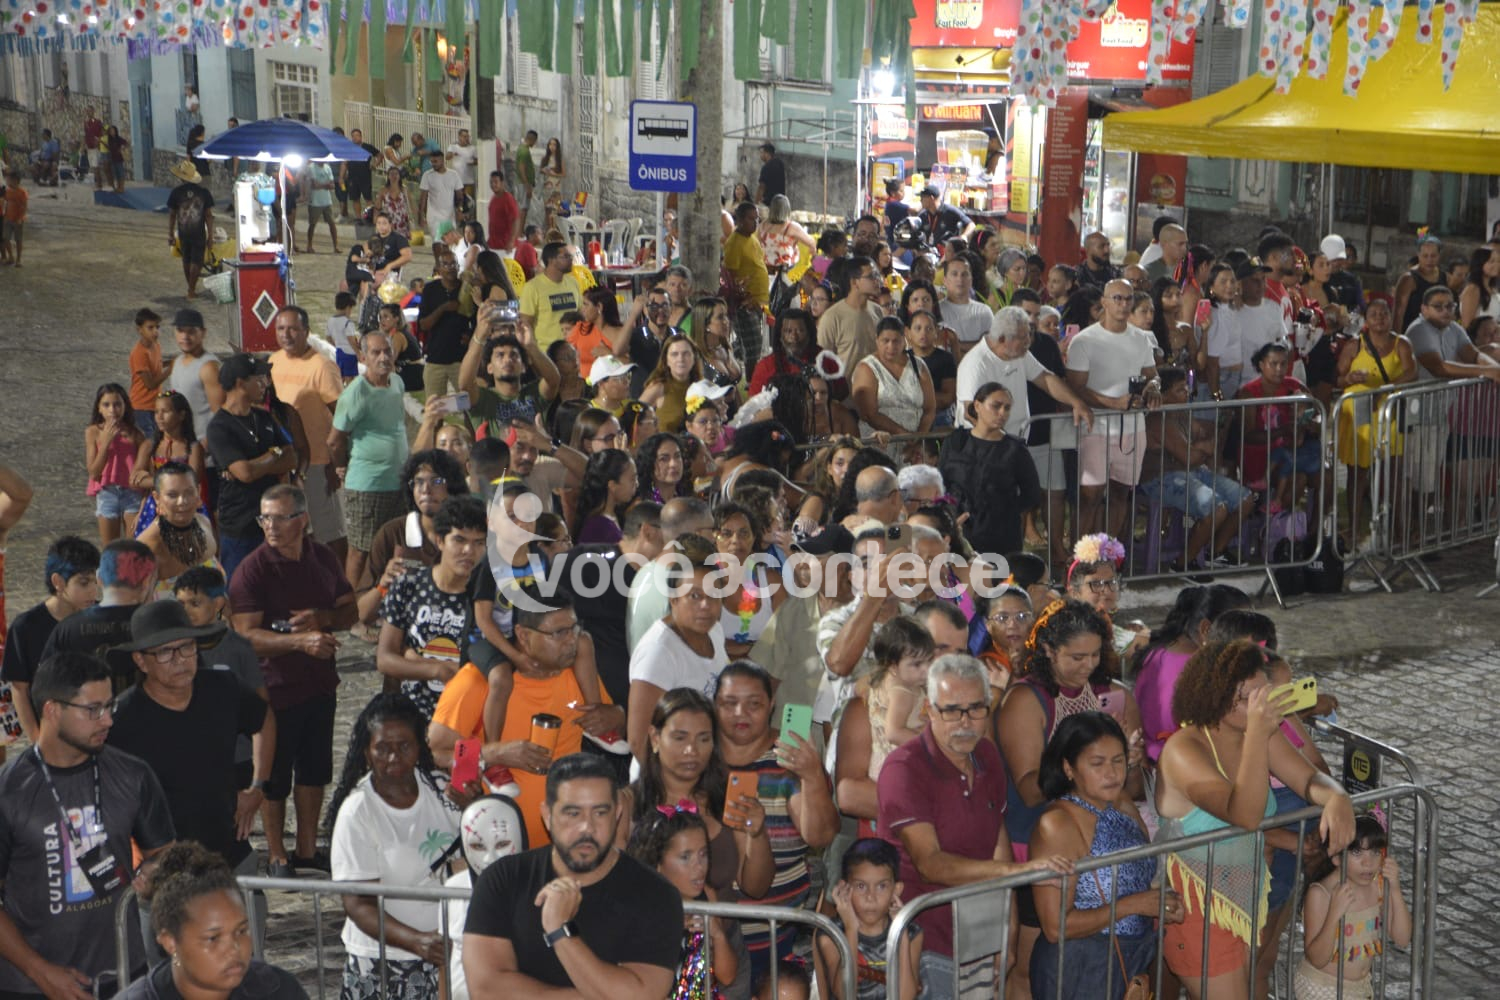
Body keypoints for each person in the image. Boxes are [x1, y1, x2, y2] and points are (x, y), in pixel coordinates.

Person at [1155, 640, 1355, 997]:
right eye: (1249, 698)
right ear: (1215, 697)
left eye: (1264, 694)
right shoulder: (1184, 750)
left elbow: (1308, 778)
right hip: (1197, 905)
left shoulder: (1258, 735)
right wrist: (1259, 735)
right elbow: (1245, 815)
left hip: (1246, 896)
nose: (1262, 706)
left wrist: (1336, 797)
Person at [876, 654, 1073, 1000]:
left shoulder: (987, 755)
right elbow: (930, 863)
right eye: (952, 711)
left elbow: (998, 838)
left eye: (976, 709)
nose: (965, 722)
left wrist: (1008, 930)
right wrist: (1021, 871)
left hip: (980, 933)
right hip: (922, 941)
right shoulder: (903, 768)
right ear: (929, 710)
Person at [0, 651, 176, 998]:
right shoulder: (10, 791)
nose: (107, 720)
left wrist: (156, 873)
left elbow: (166, 855)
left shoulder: (133, 774)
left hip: (123, 975)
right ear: (52, 709)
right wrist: (40, 972)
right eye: (93, 709)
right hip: (30, 985)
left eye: (110, 706)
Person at [993, 600, 1144, 996]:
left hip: (1097, 840)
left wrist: (1125, 763)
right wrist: (1081, 763)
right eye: (1077, 657)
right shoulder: (1026, 699)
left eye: (1095, 654)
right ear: (1048, 650)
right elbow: (1029, 789)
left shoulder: (1109, 693)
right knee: (1029, 966)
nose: (1088, 665)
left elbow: (1129, 791)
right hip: (1036, 840)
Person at [462, 752, 683, 997]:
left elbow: (641, 995)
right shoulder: (503, 878)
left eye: (600, 812)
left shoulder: (656, 895)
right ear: (547, 815)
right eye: (572, 813)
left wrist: (560, 931)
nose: (587, 827)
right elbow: (486, 990)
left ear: (618, 814)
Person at [229, 485, 357, 877]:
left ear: (302, 519)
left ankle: (305, 849)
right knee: (274, 777)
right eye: (264, 518)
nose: (270, 526)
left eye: (279, 518)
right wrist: (299, 641)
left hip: (319, 683)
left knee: (315, 771)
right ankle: (277, 854)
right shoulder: (252, 569)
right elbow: (244, 636)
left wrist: (323, 619)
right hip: (274, 688)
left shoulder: (322, 558)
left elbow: (349, 610)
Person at [109, 600, 271, 874]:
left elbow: (265, 720)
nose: (180, 660)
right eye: (165, 652)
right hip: (165, 868)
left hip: (229, 854)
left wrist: (257, 787)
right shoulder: (121, 720)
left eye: (187, 647)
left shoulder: (223, 688)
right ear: (141, 661)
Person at [1028, 712, 1180, 1000]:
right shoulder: (1057, 824)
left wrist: (1161, 902)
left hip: (1134, 952)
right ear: (1069, 767)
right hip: (1080, 963)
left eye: (1118, 761)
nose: (1112, 774)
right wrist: (1135, 904)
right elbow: (1055, 926)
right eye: (1097, 764)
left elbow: (1141, 877)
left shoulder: (1122, 803)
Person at [329, 693, 465, 1000]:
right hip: (385, 963)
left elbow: (479, 849)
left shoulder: (440, 789)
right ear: (367, 752)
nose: (393, 757)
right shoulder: (358, 812)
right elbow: (358, 904)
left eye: (404, 746)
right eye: (382, 748)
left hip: (446, 955)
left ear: (419, 747)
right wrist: (417, 941)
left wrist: (474, 807)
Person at [713, 661, 839, 973]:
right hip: (712, 935)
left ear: (771, 705)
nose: (741, 713)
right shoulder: (700, 758)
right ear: (714, 706)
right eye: (729, 703)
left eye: (754, 704)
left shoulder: (790, 760)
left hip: (778, 933)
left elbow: (820, 836)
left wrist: (812, 774)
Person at [125, 840, 308, 1000]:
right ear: (170, 942)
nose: (234, 949)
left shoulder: (280, 990)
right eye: (213, 938)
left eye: (241, 931)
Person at [1066, 279, 1160, 538]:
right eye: (1117, 298)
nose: (1123, 304)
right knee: (1090, 496)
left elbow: (1152, 375)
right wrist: (1113, 403)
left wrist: (1153, 387)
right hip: (1095, 427)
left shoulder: (1141, 339)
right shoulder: (1084, 340)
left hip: (1133, 428)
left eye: (1128, 298)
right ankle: (1079, 555)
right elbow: (1075, 388)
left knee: (1121, 494)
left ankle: (1109, 552)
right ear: (1104, 302)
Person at [624, 804, 746, 1000]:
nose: (699, 866)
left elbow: (727, 977)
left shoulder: (707, 896)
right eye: (685, 857)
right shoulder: (640, 909)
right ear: (658, 863)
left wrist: (717, 935)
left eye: (703, 854)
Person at [1142, 368, 1257, 570]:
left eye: (1186, 387)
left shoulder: (1183, 413)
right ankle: (1182, 563)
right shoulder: (1158, 419)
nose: (1187, 392)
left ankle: (1216, 552)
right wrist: (1201, 449)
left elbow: (1208, 440)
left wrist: (1200, 447)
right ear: (1164, 395)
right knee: (1216, 508)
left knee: (1245, 499)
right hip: (1162, 477)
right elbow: (1190, 456)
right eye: (1180, 389)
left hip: (1194, 471)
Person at [627, 539, 729, 761]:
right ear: (673, 599)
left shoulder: (714, 630)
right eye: (694, 596)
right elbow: (638, 740)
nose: (705, 605)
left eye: (713, 595)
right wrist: (672, 780)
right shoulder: (658, 652)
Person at [1295, 813, 1413, 1000]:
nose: (1368, 863)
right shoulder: (1321, 894)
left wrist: (1395, 890)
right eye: (1357, 852)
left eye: (1375, 852)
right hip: (1322, 988)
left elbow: (1403, 938)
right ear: (1336, 857)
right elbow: (1317, 959)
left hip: (1360, 988)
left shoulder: (1377, 885)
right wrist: (1334, 915)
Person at [205, 355, 297, 581]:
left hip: (273, 521)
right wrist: (273, 454)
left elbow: (291, 458)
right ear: (240, 383)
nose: (266, 383)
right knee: (241, 587)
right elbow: (245, 473)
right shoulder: (219, 427)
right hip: (240, 526)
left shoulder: (264, 417)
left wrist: (258, 464)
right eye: (259, 378)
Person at [331, 330, 411, 590]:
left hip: (398, 482)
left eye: (387, 351)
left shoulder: (397, 382)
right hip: (367, 486)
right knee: (360, 551)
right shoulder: (356, 392)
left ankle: (384, 600)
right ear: (363, 357)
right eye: (376, 352)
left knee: (396, 546)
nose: (383, 357)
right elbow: (334, 440)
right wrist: (341, 466)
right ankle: (351, 606)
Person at [1, 536, 99, 743]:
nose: (94, 590)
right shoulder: (26, 627)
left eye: (95, 581)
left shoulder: (102, 619)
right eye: (84, 582)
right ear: (58, 582)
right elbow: (19, 689)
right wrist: (38, 741)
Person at [267, 306, 347, 558]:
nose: (286, 334)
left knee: (329, 531)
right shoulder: (273, 361)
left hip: (319, 462)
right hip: (289, 462)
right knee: (301, 531)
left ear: (306, 331)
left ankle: (339, 578)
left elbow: (343, 417)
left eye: (293, 329)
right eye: (281, 328)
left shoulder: (321, 366)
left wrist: (336, 462)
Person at [812, 838, 923, 1000]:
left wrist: (901, 932)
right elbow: (844, 994)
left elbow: (905, 997)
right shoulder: (830, 935)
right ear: (844, 888)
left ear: (896, 890)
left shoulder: (912, 933)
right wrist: (851, 928)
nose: (871, 897)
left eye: (881, 886)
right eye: (861, 886)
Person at [84, 382, 152, 544]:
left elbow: (145, 468)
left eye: (117, 404)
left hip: (133, 493)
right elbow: (93, 472)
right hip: (107, 492)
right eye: (106, 405)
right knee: (110, 549)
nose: (112, 410)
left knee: (133, 546)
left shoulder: (135, 434)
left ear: (125, 406)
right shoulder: (93, 432)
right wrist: (106, 442)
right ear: (99, 408)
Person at [852, 316, 935, 444]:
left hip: (916, 442)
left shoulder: (918, 365)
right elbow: (869, 414)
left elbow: (930, 409)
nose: (891, 346)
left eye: (896, 341)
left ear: (904, 340)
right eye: (885, 341)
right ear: (877, 340)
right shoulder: (866, 368)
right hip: (880, 443)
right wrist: (904, 436)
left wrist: (918, 439)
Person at [520, 241, 584, 349]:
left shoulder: (573, 283)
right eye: (566, 256)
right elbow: (526, 323)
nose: (571, 260)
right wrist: (533, 351)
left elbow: (580, 315)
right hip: (546, 351)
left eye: (571, 256)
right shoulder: (532, 287)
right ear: (551, 260)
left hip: (572, 349)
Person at [167, 160, 214, 299]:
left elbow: (172, 215)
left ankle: (190, 288)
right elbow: (208, 215)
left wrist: (170, 234)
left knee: (186, 259)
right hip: (198, 232)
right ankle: (191, 289)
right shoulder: (204, 193)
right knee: (197, 261)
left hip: (183, 232)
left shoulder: (176, 193)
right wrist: (210, 236)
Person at [1392, 234, 1444, 332]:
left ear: (1439, 255)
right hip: (1411, 333)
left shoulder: (1444, 277)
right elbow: (1398, 314)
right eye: (1425, 256)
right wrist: (1397, 338)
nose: (1429, 260)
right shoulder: (1408, 279)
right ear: (1418, 255)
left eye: (1433, 256)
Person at [420, 148, 466, 240]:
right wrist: (421, 216)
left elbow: (460, 196)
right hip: (433, 217)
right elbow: (423, 198)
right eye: (431, 162)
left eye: (435, 161)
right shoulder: (427, 175)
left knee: (449, 242)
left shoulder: (454, 175)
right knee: (437, 242)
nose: (433, 164)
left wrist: (460, 210)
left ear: (442, 160)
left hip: (449, 217)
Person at [0, 168, 25, 267]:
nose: (7, 181)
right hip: (8, 218)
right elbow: (4, 203)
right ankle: (11, 257)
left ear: (15, 180)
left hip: (18, 220)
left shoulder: (22, 192)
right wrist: (4, 215)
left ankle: (18, 259)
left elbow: (24, 206)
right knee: (6, 238)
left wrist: (20, 218)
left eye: (9, 179)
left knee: (18, 240)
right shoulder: (7, 191)